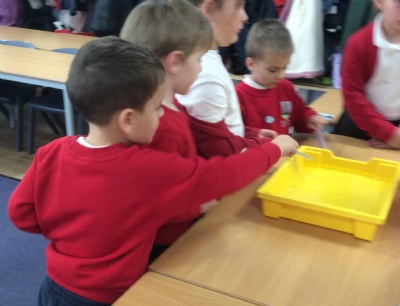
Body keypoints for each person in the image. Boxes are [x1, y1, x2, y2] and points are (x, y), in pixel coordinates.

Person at [8, 36, 299, 306]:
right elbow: (224, 174)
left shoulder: (53, 151)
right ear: (128, 119)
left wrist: (76, 227)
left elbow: (22, 214)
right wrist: (275, 149)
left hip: (52, 291)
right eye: (158, 107)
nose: (163, 115)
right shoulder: (144, 170)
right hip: (99, 304)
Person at [120, 0, 216, 262]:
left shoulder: (169, 108)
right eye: (199, 59)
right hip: (165, 245)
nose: (201, 68)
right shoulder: (162, 127)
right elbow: (155, 204)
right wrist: (200, 204)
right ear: (175, 61)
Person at [177, 0, 278, 159]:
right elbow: (219, 150)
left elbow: (216, 129)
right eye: (238, 6)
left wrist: (250, 133)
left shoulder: (208, 62)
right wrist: (270, 147)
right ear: (210, 9)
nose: (245, 17)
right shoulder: (206, 75)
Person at [235, 19, 327, 136]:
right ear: (251, 64)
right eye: (273, 70)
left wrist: (310, 119)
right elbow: (236, 135)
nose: (281, 75)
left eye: (285, 67)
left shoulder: (285, 87)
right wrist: (254, 134)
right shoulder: (238, 96)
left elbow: (300, 114)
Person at [335, 0, 400, 149]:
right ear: (379, 2)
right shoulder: (358, 43)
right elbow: (353, 96)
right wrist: (390, 135)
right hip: (361, 128)